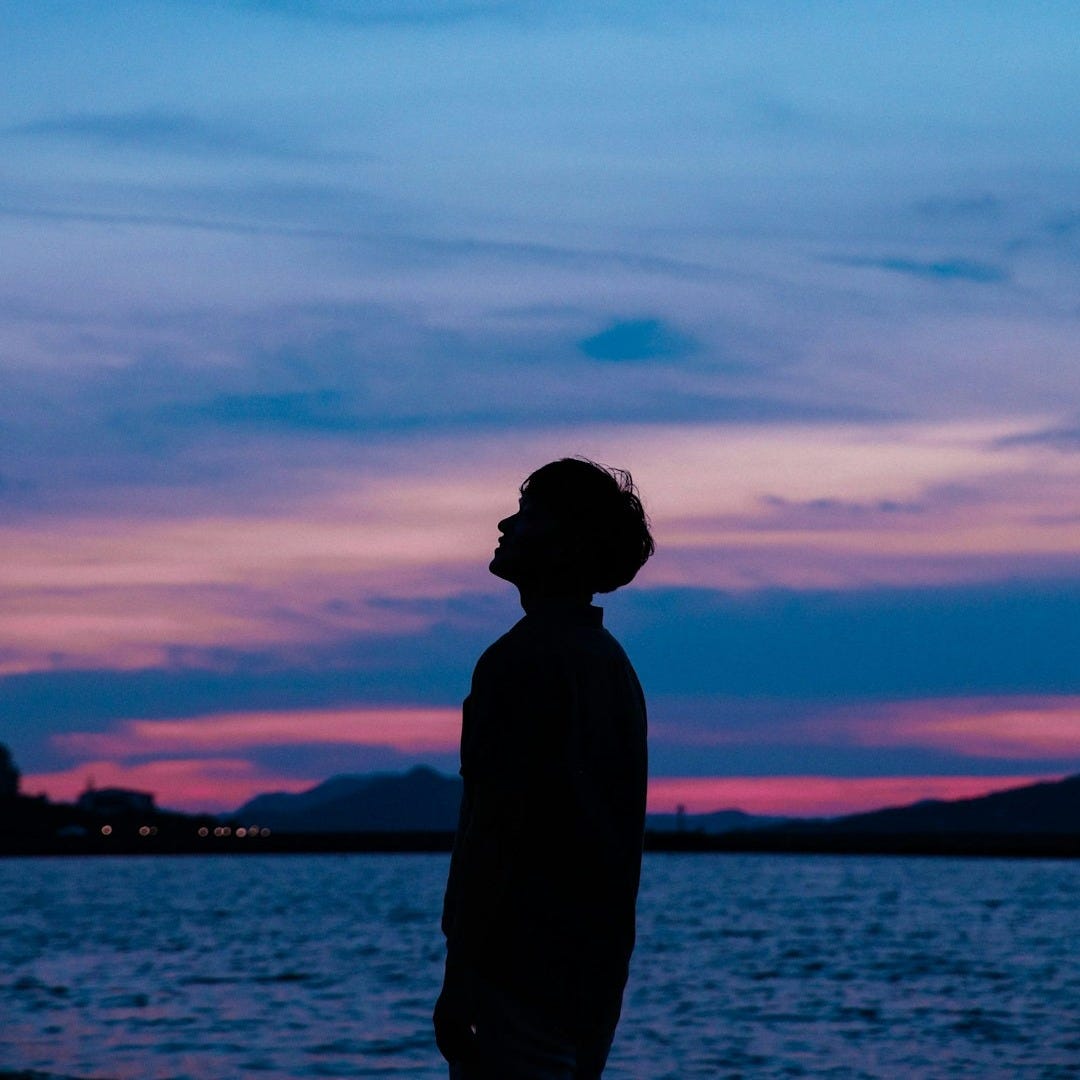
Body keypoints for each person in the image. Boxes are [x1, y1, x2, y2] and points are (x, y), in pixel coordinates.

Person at [434, 457, 655, 1079]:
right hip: (590, 971)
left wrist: (461, 982)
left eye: (530, 517)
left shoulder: (523, 661)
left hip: (520, 970)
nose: (506, 524)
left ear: (568, 546)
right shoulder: (608, 664)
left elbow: (497, 828)